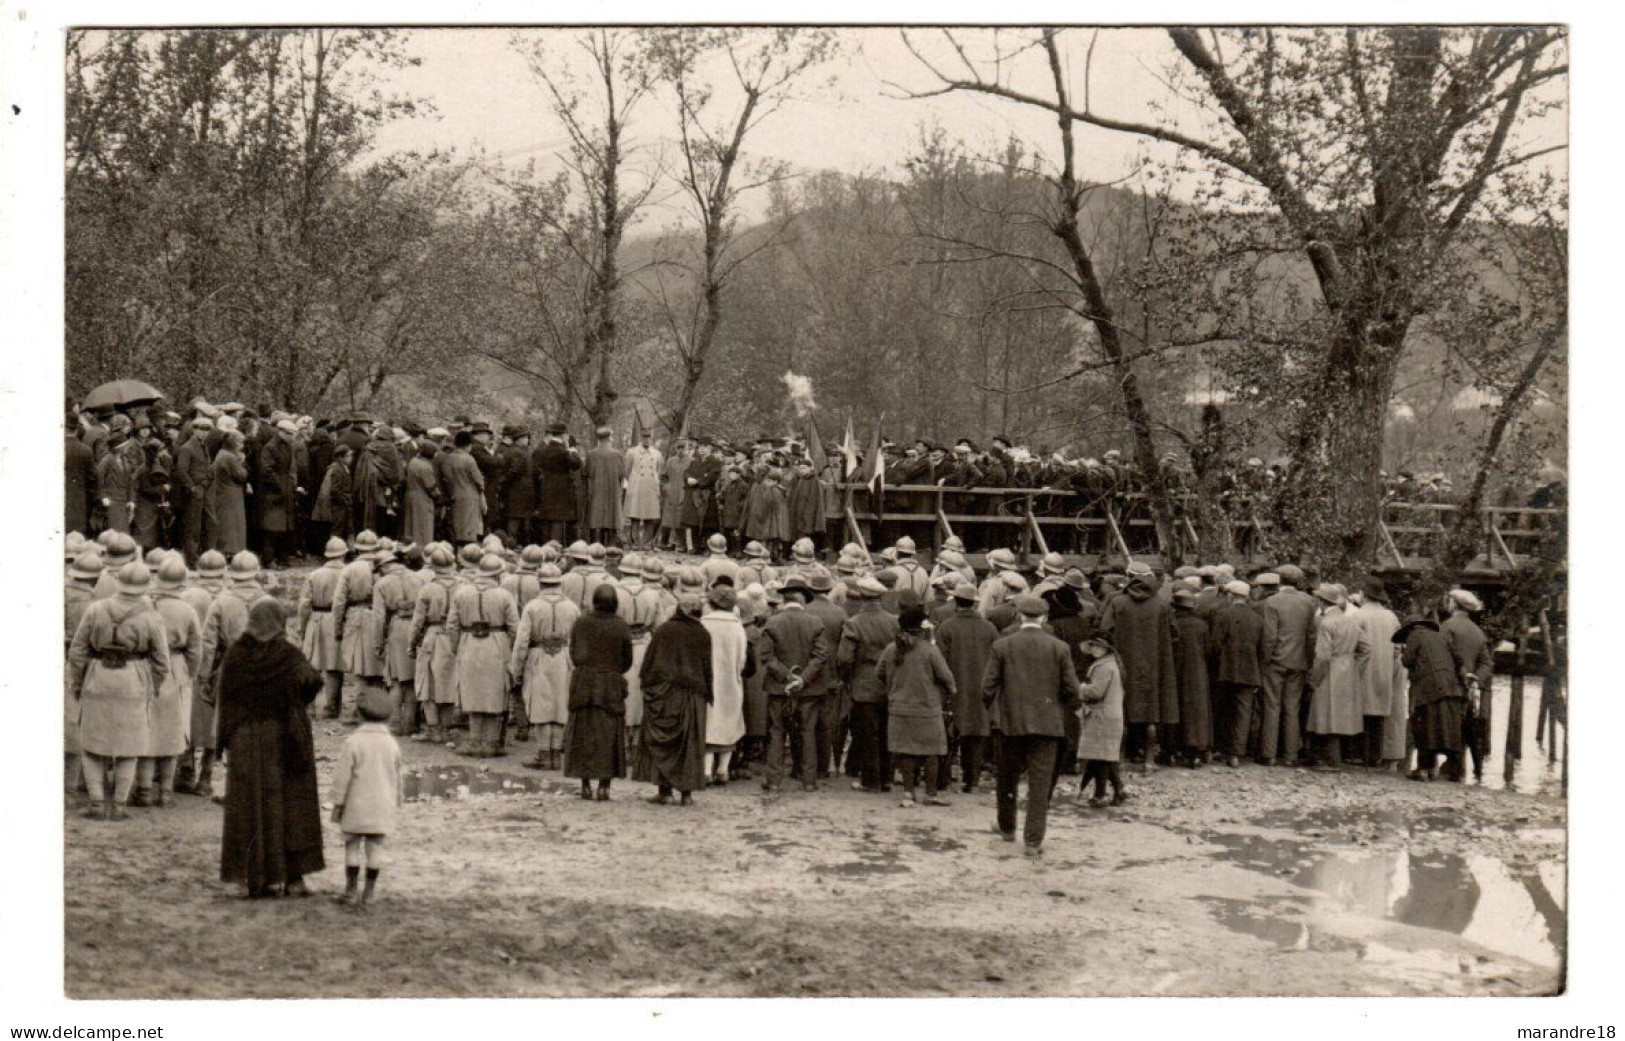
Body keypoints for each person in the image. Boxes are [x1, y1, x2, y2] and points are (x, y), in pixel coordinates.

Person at [217, 598, 325, 898]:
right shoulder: (288, 654)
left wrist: (227, 737)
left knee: (248, 804)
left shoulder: (236, 655)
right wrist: (293, 703)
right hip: (282, 738)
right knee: (291, 802)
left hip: (243, 738)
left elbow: (224, 697)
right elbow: (312, 681)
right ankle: (293, 879)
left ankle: (254, 879)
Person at [67, 562, 170, 820]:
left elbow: (77, 651)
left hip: (97, 676)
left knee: (92, 742)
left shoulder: (95, 609)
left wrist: (78, 683)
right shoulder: (151, 616)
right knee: (130, 744)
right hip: (133, 679)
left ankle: (96, 804)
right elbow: (161, 661)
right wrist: (151, 685)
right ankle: (120, 805)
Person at [982, 595, 1082, 856]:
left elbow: (987, 688)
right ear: (1044, 618)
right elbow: (1072, 689)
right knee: (1040, 783)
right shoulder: (1059, 647)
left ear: (1019, 616)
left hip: (1011, 723)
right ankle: (1033, 840)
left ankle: (1006, 828)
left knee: (1007, 778)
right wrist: (1058, 705)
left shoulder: (1002, 646)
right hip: (1048, 723)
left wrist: (997, 711)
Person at [194, 551, 272, 796]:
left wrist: (204, 676)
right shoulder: (268, 601)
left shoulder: (221, 602)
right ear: (256, 570)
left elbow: (208, 643)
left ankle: (206, 779)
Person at [635, 582, 713, 805]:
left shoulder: (665, 630)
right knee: (689, 744)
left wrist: (650, 688)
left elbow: (650, 664)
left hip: (665, 694)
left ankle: (664, 791)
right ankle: (686, 794)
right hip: (692, 696)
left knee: (665, 744)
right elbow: (707, 669)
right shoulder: (702, 633)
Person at [327, 688, 403, 910]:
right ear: (388, 716)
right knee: (375, 848)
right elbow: (397, 777)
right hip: (382, 806)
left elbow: (342, 777)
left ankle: (350, 889)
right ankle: (369, 893)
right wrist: (397, 800)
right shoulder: (392, 745)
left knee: (351, 846)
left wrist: (337, 802)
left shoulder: (353, 742)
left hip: (355, 806)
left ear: (359, 715)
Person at [134, 558, 200, 808]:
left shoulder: (145, 606)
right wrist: (189, 673)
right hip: (176, 666)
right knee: (173, 731)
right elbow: (195, 649)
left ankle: (143, 790)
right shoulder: (188, 610)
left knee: (146, 727)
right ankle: (165, 792)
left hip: (146, 665)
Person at [878, 603, 956, 808]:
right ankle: (930, 793)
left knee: (905, 751)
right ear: (921, 628)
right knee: (931, 751)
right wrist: (950, 692)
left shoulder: (890, 649)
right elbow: (946, 678)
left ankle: (907, 793)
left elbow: (879, 674)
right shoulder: (930, 651)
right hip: (927, 708)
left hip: (898, 707)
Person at [1100, 563, 1178, 770]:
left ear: (1129, 577)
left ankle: (1122, 758)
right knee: (1151, 712)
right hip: (1155, 664)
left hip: (1123, 663)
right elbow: (1174, 633)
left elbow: (1104, 629)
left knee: (1124, 709)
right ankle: (1149, 760)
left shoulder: (1117, 602)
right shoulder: (1162, 604)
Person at [560, 584, 632, 800]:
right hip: (610, 684)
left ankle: (584, 785)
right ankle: (604, 786)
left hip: (584, 682)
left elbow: (574, 654)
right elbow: (627, 660)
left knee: (582, 732)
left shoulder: (581, 623)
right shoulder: (621, 626)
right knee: (609, 735)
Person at [759, 576, 830, 792]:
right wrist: (802, 679)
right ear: (803, 599)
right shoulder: (816, 622)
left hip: (779, 688)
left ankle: (773, 780)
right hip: (809, 689)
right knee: (808, 731)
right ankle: (809, 781)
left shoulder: (772, 622)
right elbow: (820, 656)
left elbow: (766, 657)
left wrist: (787, 677)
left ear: (784, 598)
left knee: (777, 731)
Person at [447, 553, 520, 757]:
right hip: (497, 644)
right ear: (497, 575)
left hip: (468, 644)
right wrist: (510, 648)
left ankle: (474, 740)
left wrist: (457, 648)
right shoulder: (505, 595)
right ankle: (491, 742)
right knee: (495, 692)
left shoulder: (461, 593)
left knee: (473, 691)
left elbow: (452, 625)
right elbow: (515, 627)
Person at [513, 563, 579, 770]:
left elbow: (522, 641)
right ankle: (555, 754)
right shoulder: (572, 607)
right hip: (564, 657)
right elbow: (577, 639)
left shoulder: (532, 607)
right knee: (560, 703)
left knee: (540, 704)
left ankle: (543, 753)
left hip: (538, 656)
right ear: (559, 582)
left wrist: (516, 668)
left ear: (540, 582)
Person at [935, 579, 999, 793]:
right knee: (977, 736)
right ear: (974, 603)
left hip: (953, 689)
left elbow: (940, 662)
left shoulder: (946, 627)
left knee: (948, 735)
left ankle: (943, 779)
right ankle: (971, 781)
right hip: (981, 690)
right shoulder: (989, 628)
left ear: (956, 602)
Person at [837, 575, 899, 793]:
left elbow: (844, 658)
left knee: (867, 733)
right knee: (886, 732)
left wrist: (847, 679)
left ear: (861, 597)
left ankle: (870, 779)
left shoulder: (854, 623)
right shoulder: (894, 621)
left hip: (863, 684)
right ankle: (887, 778)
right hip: (890, 684)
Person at [1260, 564, 1319, 766]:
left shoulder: (1272, 601)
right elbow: (1311, 635)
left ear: (1279, 580)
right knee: (1292, 708)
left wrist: (1265, 661)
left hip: (1276, 661)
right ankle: (1291, 755)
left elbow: (1270, 636)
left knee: (1272, 706)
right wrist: (1309, 661)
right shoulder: (1309, 602)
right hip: (1299, 661)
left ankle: (1269, 754)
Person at [1306, 584, 1370, 771]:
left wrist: (1314, 679)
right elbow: (1366, 649)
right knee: (1339, 714)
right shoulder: (1350, 621)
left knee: (1325, 712)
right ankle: (1333, 758)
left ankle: (1329, 759)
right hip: (1347, 668)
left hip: (1330, 668)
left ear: (1321, 601)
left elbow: (1323, 656)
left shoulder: (1326, 622)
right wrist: (1355, 669)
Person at [1398, 615, 1468, 781]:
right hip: (1451, 687)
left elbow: (1407, 661)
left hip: (1429, 688)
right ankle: (1456, 772)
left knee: (1426, 727)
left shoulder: (1415, 635)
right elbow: (1459, 660)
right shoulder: (1441, 635)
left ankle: (1423, 769)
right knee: (1450, 730)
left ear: (1409, 628)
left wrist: (1403, 651)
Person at [1211, 577, 1268, 768]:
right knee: (1244, 713)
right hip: (1250, 672)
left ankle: (1222, 747)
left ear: (1231, 595)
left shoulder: (1223, 614)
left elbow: (1216, 644)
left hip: (1225, 671)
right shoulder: (1257, 619)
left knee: (1224, 710)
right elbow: (1263, 650)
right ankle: (1237, 753)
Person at [701, 585, 753, 785]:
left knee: (709, 723)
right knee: (729, 722)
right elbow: (742, 659)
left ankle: (706, 770)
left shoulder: (704, 623)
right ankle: (723, 769)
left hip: (708, 680)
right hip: (731, 679)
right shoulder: (738, 627)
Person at [408, 546, 461, 745]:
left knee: (427, 683)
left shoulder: (427, 588)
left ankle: (433, 728)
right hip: (456, 637)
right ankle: (446, 729)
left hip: (434, 634)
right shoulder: (463, 585)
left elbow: (417, 621)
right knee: (449, 682)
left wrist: (411, 643)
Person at [332, 533, 387, 725]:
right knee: (378, 666)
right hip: (381, 616)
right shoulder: (384, 566)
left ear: (357, 548)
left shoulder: (350, 569)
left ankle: (360, 711)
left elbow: (339, 602)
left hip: (357, 616)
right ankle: (379, 709)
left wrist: (337, 628)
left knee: (360, 667)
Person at [1352, 579, 1406, 769]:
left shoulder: (1358, 616)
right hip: (1385, 669)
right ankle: (1377, 755)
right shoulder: (1391, 617)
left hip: (1364, 667)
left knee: (1361, 712)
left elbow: (1354, 643)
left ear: (1364, 594)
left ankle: (1361, 756)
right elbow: (1398, 648)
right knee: (1379, 715)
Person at [1441, 588, 1494, 782]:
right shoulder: (1477, 632)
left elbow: (1442, 655)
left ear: (1455, 604)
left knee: (1448, 727)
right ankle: (1469, 771)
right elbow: (1487, 663)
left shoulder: (1447, 626)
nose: (1447, 603)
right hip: (1468, 688)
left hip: (1449, 685)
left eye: (1449, 600)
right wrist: (1474, 678)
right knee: (1466, 728)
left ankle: (1451, 768)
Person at [372, 548, 424, 736]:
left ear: (385, 566)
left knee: (394, 678)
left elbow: (378, 617)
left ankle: (394, 722)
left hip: (396, 627)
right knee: (411, 678)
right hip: (416, 627)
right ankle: (410, 723)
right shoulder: (418, 579)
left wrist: (377, 643)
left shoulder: (382, 584)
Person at [298, 537, 349, 720]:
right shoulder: (347, 573)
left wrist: (303, 628)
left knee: (313, 664)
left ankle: (310, 707)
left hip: (316, 619)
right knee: (335, 666)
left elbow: (304, 605)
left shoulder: (314, 575)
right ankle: (331, 707)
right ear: (344, 554)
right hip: (337, 619)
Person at [1075, 634, 1126, 806]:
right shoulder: (1112, 663)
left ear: (1106, 649)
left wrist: (1080, 687)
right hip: (1110, 715)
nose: (1094, 649)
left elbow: (1096, 692)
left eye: (1098, 646)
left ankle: (1101, 794)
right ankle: (1117, 790)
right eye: (1092, 645)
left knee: (1100, 757)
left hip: (1101, 716)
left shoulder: (1103, 667)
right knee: (1105, 756)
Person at [1169, 586, 1214, 767]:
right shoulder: (1202, 625)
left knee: (1175, 708)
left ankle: (1173, 749)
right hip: (1198, 673)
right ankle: (1195, 751)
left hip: (1174, 671)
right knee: (1197, 711)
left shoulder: (1171, 624)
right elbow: (1209, 650)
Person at [583, 426, 624, 546]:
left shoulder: (591, 454)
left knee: (596, 519)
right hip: (612, 493)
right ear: (608, 438)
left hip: (596, 492)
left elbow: (585, 473)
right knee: (612, 519)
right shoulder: (617, 454)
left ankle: (596, 546)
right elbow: (621, 475)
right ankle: (611, 546)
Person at [211, 430, 250, 555]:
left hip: (222, 492)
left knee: (224, 523)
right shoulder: (231, 458)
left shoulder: (221, 454)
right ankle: (231, 551)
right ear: (234, 444)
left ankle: (224, 549)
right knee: (233, 524)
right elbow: (241, 476)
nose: (242, 446)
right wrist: (242, 462)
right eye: (240, 442)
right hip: (232, 495)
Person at [622, 428, 663, 548]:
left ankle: (646, 543)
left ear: (652, 438)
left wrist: (654, 483)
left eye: (649, 437)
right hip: (637, 486)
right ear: (641, 438)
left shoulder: (657, 454)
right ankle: (634, 542)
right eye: (644, 437)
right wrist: (634, 481)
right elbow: (627, 470)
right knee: (635, 516)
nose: (647, 439)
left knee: (649, 517)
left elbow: (659, 471)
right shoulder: (632, 452)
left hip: (651, 487)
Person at [404, 440, 439, 549]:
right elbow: (431, 487)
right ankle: (423, 552)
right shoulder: (425, 467)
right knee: (424, 529)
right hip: (422, 498)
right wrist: (438, 496)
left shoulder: (413, 461)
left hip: (410, 494)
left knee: (411, 527)